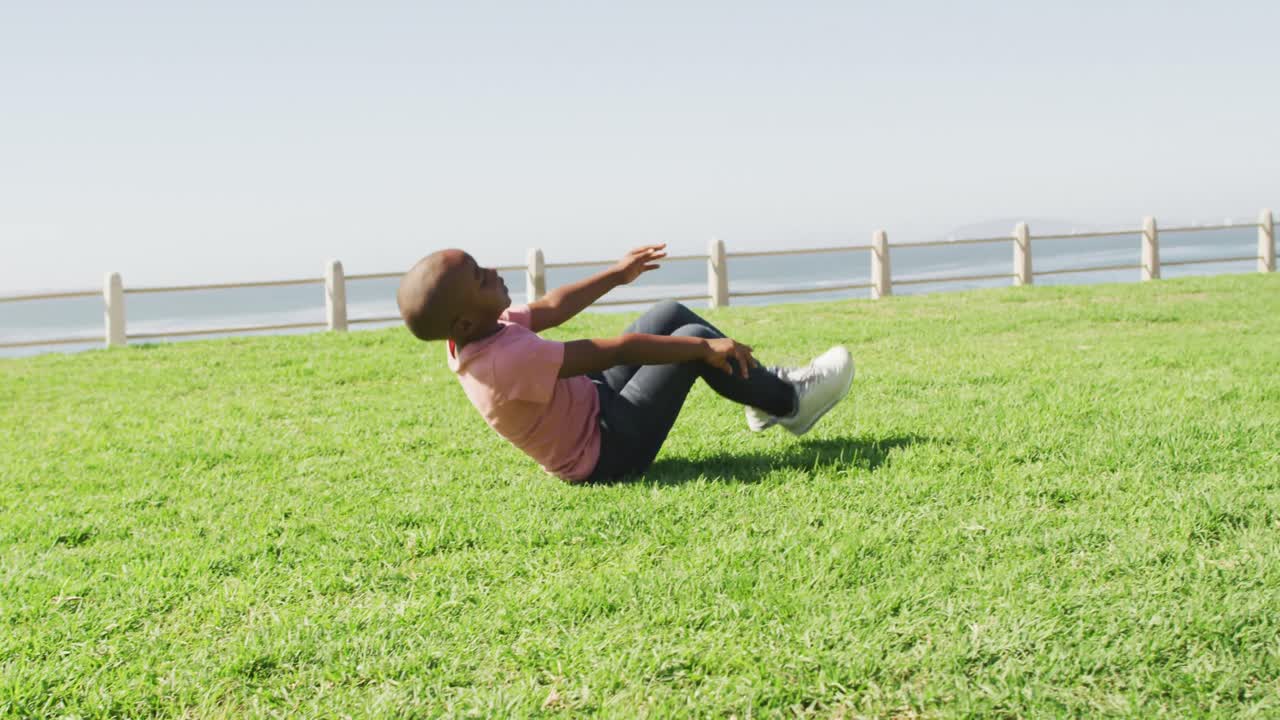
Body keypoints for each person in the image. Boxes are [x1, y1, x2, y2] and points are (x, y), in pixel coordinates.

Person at [396, 244, 855, 483]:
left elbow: (552, 307)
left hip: (593, 402)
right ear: (465, 319)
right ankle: (790, 401)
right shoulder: (503, 361)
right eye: (480, 276)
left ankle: (760, 398)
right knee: (692, 339)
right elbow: (613, 350)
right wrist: (701, 351)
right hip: (605, 451)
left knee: (670, 313)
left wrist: (618, 274)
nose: (493, 272)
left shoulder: (477, 330)